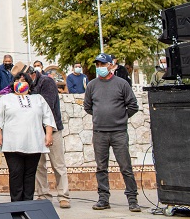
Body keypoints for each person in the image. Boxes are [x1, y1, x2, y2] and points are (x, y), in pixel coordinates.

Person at [84, 53, 141, 213]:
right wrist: (100, 117)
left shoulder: (122, 84)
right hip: (100, 132)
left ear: (111, 65)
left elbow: (133, 106)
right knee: (101, 167)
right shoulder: (92, 85)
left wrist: (120, 118)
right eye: (98, 65)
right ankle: (103, 199)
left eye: (103, 64)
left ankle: (132, 200)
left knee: (126, 167)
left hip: (118, 132)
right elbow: (88, 107)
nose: (100, 67)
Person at [0, 72, 55, 202]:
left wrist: (48, 134)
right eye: (17, 80)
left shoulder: (38, 99)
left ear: (29, 84)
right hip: (12, 144)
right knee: (15, 173)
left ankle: (27, 204)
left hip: (34, 143)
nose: (20, 82)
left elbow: (47, 117)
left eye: (24, 80)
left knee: (30, 175)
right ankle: (16, 204)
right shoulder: (5, 99)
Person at [27, 67, 70, 209]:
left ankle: (63, 196)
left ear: (31, 74)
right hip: (36, 130)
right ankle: (43, 195)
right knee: (39, 165)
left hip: (53, 128)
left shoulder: (47, 82)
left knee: (58, 164)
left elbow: (47, 106)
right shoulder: (27, 86)